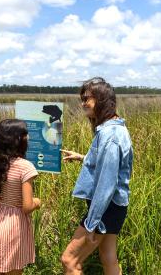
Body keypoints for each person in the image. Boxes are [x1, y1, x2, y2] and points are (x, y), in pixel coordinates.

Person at [61, 77, 133, 275]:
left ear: (102, 100)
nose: (83, 103)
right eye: (82, 99)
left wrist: (92, 223)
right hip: (115, 207)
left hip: (106, 208)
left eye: (87, 98)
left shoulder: (110, 136)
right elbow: (109, 165)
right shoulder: (114, 128)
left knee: (69, 260)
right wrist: (83, 157)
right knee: (108, 257)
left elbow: (106, 184)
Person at [0, 119, 41, 275]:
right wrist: (37, 202)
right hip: (15, 225)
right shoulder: (25, 167)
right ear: (18, 140)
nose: (28, 137)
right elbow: (27, 207)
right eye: (25, 134)